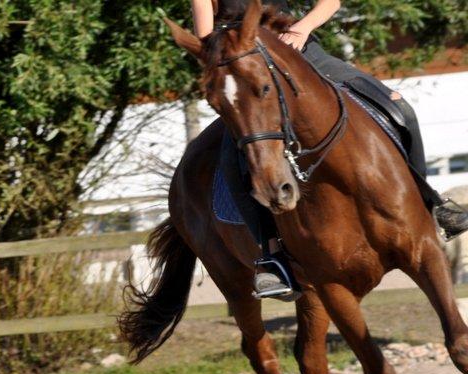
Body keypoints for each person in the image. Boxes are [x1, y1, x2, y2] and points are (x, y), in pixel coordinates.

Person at [191, 0, 468, 301]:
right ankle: (271, 256)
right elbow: (206, 39)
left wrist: (302, 28)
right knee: (237, 154)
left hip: (301, 54)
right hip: (246, 69)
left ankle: (429, 207)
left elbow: (330, 2)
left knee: (400, 106)